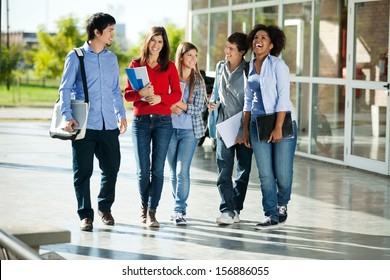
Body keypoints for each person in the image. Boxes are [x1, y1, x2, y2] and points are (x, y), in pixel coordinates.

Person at [59, 13, 127, 232]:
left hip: (108, 125)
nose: (112, 35)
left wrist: (121, 114)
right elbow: (65, 88)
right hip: (84, 125)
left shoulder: (111, 58)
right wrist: (67, 116)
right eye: (110, 31)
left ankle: (104, 208)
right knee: (83, 171)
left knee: (112, 168)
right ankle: (85, 215)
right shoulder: (76, 56)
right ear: (97, 32)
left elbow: (115, 90)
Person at [124, 26, 181, 227]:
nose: (156, 45)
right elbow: (128, 95)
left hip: (164, 122)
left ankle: (152, 212)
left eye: (160, 42)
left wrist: (159, 98)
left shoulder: (170, 66)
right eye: (153, 40)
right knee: (143, 169)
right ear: (147, 41)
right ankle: (143, 209)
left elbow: (177, 94)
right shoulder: (136, 65)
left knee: (157, 170)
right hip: (141, 122)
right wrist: (141, 93)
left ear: (164, 45)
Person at [243, 24, 298, 229]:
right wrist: (246, 129)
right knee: (265, 174)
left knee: (282, 172)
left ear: (272, 44)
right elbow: (248, 101)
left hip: (281, 123)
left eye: (264, 38)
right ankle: (271, 214)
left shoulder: (278, 65)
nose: (258, 40)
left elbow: (284, 98)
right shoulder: (249, 66)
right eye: (256, 37)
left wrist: (278, 127)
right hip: (258, 125)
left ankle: (282, 203)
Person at [208, 32, 253, 225]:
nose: (227, 51)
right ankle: (226, 209)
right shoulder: (220, 67)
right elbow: (217, 92)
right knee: (224, 169)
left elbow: (251, 100)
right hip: (224, 126)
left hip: (243, 127)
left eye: (231, 49)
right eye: (226, 47)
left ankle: (236, 208)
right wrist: (212, 103)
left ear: (242, 52)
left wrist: (244, 130)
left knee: (243, 170)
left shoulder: (249, 70)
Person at [167, 42, 206, 225]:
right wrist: (171, 105)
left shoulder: (197, 80)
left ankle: (179, 210)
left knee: (183, 171)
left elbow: (199, 108)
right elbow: (163, 100)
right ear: (181, 56)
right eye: (189, 55)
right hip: (168, 129)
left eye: (195, 56)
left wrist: (178, 104)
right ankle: (177, 206)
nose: (193, 59)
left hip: (189, 131)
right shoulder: (169, 76)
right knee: (173, 172)